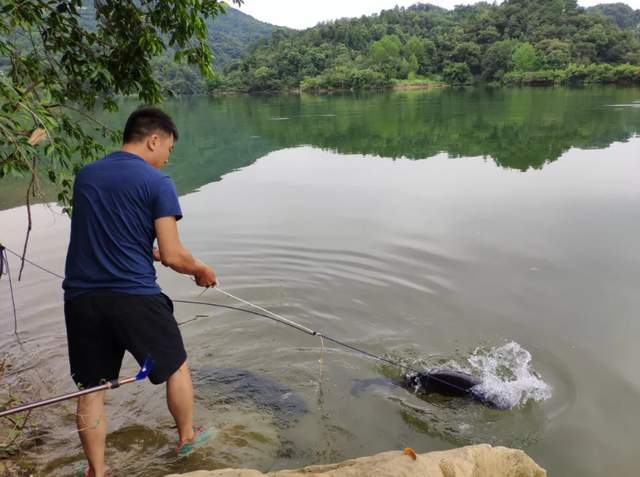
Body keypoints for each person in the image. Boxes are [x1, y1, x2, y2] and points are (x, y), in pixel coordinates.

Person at [63, 107, 216, 477]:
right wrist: (200, 270)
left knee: (91, 389)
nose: (165, 159)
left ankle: (96, 471)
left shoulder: (87, 176)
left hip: (81, 299)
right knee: (177, 366)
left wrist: (149, 251)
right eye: (168, 150)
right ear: (154, 139)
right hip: (134, 295)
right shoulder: (157, 182)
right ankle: (186, 438)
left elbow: (105, 234)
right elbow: (177, 254)